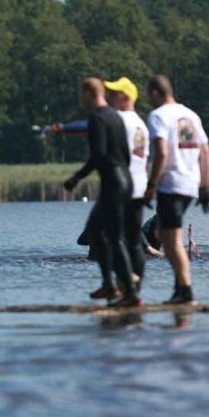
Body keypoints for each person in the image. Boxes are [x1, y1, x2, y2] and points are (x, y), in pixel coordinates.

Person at [64, 78, 140, 306]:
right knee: (96, 231)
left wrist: (76, 177)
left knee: (113, 238)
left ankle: (129, 292)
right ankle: (110, 284)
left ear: (89, 94)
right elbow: (125, 153)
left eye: (81, 95)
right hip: (125, 180)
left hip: (113, 183)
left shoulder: (97, 117)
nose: (80, 101)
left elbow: (98, 155)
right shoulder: (116, 115)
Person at [141, 75, 209, 305]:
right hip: (191, 183)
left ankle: (185, 291)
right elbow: (206, 152)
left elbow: (161, 153)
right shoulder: (190, 115)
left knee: (171, 240)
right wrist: (204, 186)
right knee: (164, 234)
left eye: (148, 95)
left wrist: (151, 185)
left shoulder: (158, 115)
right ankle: (180, 287)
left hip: (172, 183)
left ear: (155, 93)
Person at [105, 77, 150, 289]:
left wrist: (59, 129)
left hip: (123, 186)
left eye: (113, 93)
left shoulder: (120, 118)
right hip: (139, 185)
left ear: (125, 97)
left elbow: (93, 127)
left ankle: (124, 286)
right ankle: (134, 290)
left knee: (114, 238)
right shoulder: (140, 123)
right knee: (133, 241)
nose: (109, 97)